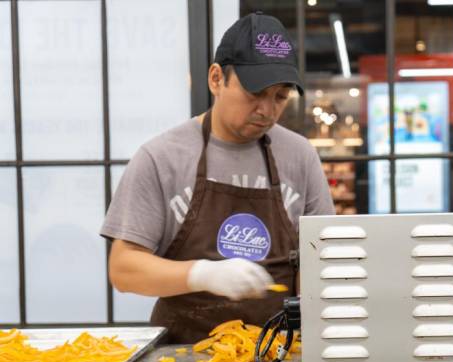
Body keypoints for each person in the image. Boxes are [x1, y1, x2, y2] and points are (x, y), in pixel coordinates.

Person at [101, 12, 334, 343]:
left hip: (278, 360)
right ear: (215, 79)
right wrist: (201, 274)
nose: (267, 110)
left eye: (280, 96)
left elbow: (321, 263)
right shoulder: (162, 157)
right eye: (256, 92)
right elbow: (124, 270)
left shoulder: (300, 156)